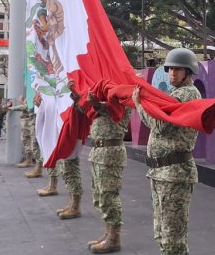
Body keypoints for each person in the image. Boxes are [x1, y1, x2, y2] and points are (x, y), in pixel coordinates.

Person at [132, 48, 202, 255]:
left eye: (178, 69)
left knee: (173, 237)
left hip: (174, 173)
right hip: (163, 172)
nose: (172, 73)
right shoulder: (175, 93)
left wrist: (139, 104)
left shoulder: (186, 94)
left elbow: (160, 125)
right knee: (164, 232)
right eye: (170, 69)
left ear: (189, 72)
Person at [74, 84, 130, 253]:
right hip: (99, 153)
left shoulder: (122, 101)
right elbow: (87, 111)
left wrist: (97, 103)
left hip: (110, 154)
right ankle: (107, 233)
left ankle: (114, 238)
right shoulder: (102, 103)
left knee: (109, 196)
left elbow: (111, 109)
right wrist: (77, 97)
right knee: (100, 196)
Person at [14, 95, 43, 178]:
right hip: (32, 121)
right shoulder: (31, 96)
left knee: (35, 145)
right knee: (33, 144)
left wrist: (13, 107)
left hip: (34, 121)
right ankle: (37, 167)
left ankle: (38, 167)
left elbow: (26, 107)